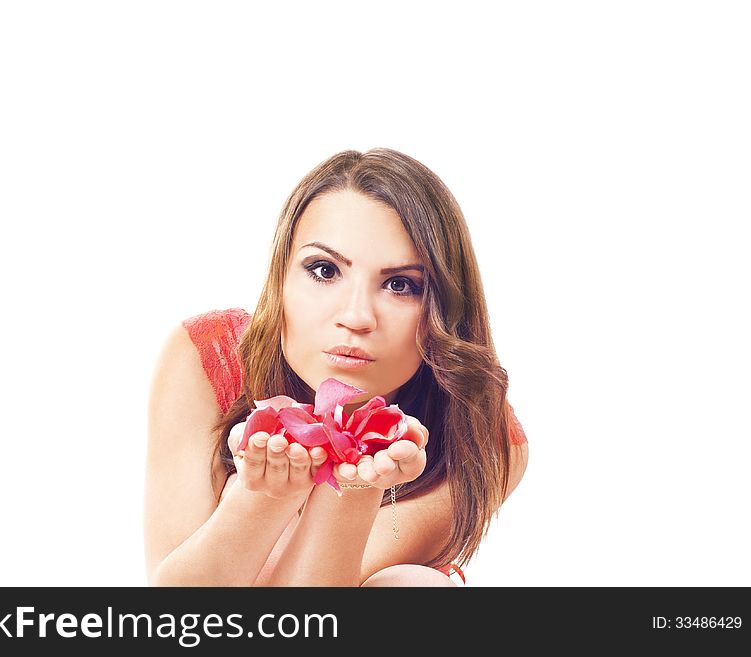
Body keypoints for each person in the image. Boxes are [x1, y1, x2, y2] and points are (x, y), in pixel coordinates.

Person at [144, 148, 528, 587]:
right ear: (281, 278)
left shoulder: (485, 435)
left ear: (443, 309)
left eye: (400, 285)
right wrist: (263, 497)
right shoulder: (210, 357)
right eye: (324, 270)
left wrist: (357, 487)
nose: (357, 316)